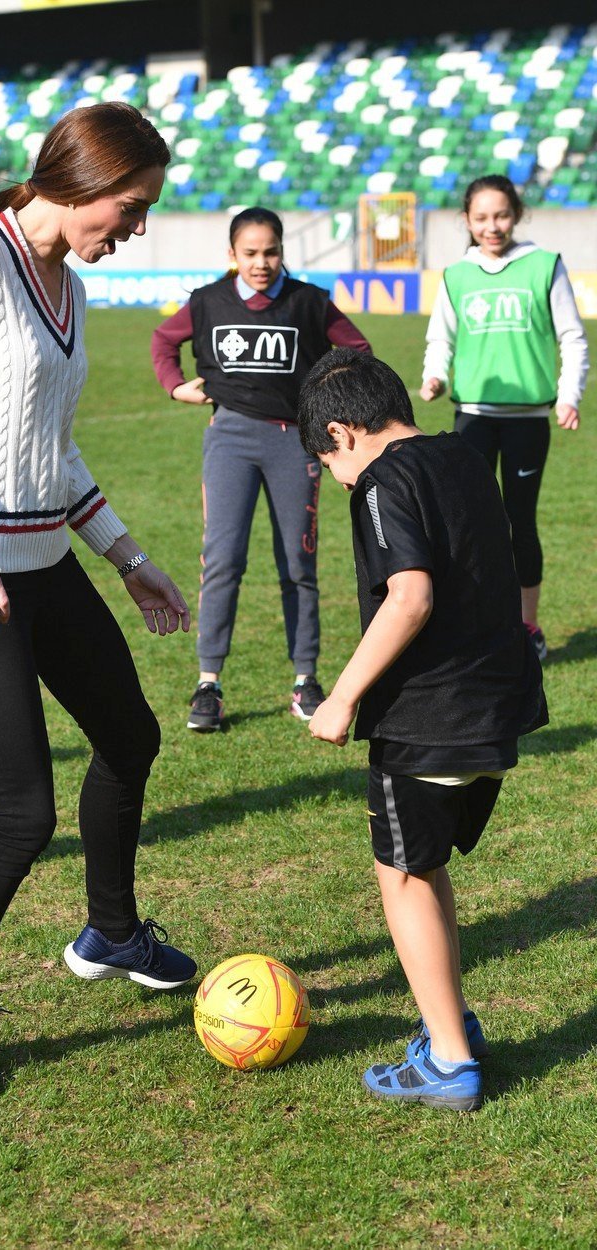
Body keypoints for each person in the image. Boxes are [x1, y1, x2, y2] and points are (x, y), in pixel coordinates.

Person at [0, 102, 196, 1100]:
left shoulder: (70, 287)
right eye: (131, 207)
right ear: (85, 180)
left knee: (130, 737)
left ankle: (109, 927)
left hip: (43, 560)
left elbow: (51, 453)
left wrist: (128, 554)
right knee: (22, 811)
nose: (134, 226)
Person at [298, 348, 547, 1111]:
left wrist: (340, 698)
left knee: (401, 875)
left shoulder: (379, 482)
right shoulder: (464, 455)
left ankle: (448, 1062)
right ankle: (452, 1022)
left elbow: (410, 596)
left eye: (325, 461)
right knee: (426, 864)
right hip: (494, 706)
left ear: (342, 433)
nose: (333, 478)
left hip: (429, 715)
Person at [151, 207, 371, 732]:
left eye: (270, 251)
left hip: (294, 444)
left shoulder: (309, 302)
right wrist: (175, 385)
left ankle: (305, 681)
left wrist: (325, 406)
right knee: (222, 560)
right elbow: (164, 341)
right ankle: (209, 684)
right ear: (232, 255)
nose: (261, 262)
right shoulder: (208, 301)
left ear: (282, 251)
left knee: (298, 565)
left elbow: (357, 349)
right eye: (250, 253)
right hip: (229, 439)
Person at [421, 174, 588, 661]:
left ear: (516, 214)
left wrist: (568, 395)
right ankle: (474, 622)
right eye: (481, 218)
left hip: (528, 420)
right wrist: (434, 376)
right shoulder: (457, 275)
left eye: (501, 215)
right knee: (467, 524)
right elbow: (441, 340)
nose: (492, 226)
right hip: (471, 415)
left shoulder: (544, 266)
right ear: (467, 221)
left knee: (520, 521)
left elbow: (572, 338)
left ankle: (526, 625)